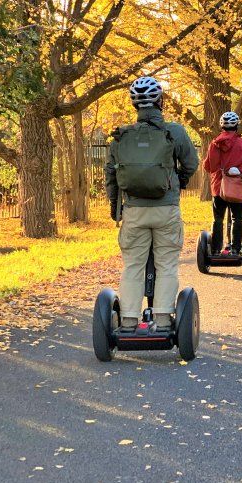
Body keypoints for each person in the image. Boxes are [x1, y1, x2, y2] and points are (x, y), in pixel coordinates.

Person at [105, 76, 199, 329]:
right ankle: (163, 319)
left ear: (134, 105)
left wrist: (115, 208)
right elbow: (191, 163)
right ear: (160, 101)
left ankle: (128, 321)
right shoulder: (174, 132)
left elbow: (111, 176)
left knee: (133, 265)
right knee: (166, 264)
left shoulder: (121, 137)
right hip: (166, 209)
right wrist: (178, 182)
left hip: (134, 211)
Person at [202, 111, 242, 256]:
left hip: (218, 187)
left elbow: (208, 166)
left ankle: (215, 250)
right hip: (236, 186)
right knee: (237, 218)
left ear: (222, 126)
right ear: (236, 126)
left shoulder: (214, 144)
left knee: (218, 219)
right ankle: (235, 249)